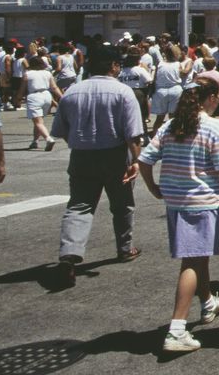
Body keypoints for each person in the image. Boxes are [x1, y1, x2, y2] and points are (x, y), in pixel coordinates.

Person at [137, 77, 219, 353]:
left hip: (175, 200)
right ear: (211, 98)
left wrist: (154, 187)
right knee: (191, 262)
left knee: (198, 255)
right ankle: (177, 328)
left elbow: (145, 159)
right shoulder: (216, 127)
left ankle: (207, 301)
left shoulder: (172, 124)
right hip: (202, 200)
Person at [51, 44, 145, 287]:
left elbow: (61, 130)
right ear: (115, 66)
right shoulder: (124, 92)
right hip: (114, 155)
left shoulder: (72, 92)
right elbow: (133, 134)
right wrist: (136, 161)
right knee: (123, 204)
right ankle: (125, 248)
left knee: (79, 207)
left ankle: (68, 257)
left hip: (81, 155)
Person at [24, 53, 63, 151]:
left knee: (38, 122)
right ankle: (35, 141)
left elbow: (22, 89)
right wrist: (62, 97)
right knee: (39, 121)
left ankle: (48, 139)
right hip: (46, 96)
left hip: (34, 96)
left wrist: (17, 98)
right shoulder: (47, 73)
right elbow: (54, 87)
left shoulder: (28, 74)